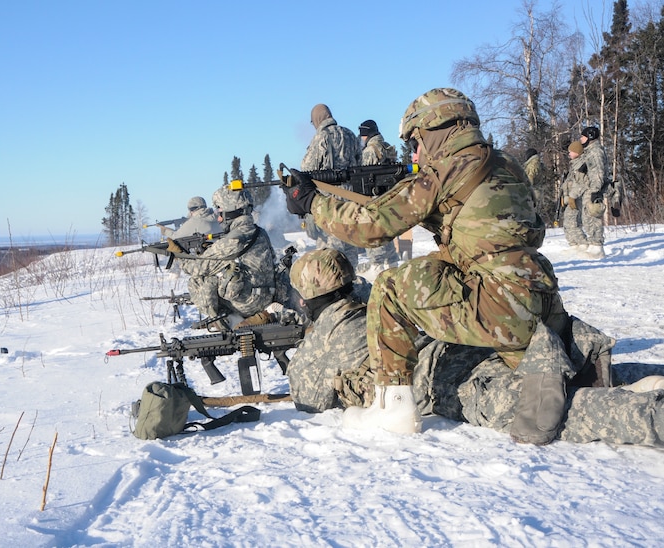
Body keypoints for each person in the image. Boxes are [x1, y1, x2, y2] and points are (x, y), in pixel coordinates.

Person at [283, 88, 572, 443]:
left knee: (389, 287)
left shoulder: (443, 172)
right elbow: (523, 231)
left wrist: (312, 203)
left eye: (416, 141)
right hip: (542, 301)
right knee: (438, 266)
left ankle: (393, 407)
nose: (415, 153)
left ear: (435, 131)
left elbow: (370, 228)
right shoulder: (505, 164)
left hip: (500, 309)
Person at [287, 249, 664, 446]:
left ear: (306, 298)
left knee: (555, 412)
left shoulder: (331, 329)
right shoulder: (371, 296)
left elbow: (308, 397)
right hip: (474, 344)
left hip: (455, 380)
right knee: (596, 376)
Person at [173, 186, 278, 333]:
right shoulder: (260, 232)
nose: (219, 218)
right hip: (267, 296)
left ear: (231, 212)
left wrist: (179, 255)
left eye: (220, 211)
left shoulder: (233, 239)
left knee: (197, 281)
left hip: (248, 304)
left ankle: (228, 323)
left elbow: (196, 268)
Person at [300, 104, 362, 269]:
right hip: (351, 204)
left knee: (329, 263)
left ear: (317, 120)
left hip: (330, 206)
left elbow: (306, 168)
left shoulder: (321, 138)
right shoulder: (350, 134)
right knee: (350, 258)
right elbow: (360, 163)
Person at [357, 120, 401, 275]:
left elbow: (365, 175)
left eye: (362, 134)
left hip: (375, 199)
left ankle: (379, 274)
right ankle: (394, 270)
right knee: (388, 237)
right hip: (389, 198)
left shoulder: (370, 150)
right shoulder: (386, 146)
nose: (360, 138)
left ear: (367, 134)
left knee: (375, 239)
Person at [577, 126, 609, 258]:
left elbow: (598, 172)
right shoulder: (589, 151)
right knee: (587, 216)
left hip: (593, 188)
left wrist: (595, 190)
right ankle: (593, 243)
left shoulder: (595, 151)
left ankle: (597, 246)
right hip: (589, 187)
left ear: (590, 136)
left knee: (593, 215)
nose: (581, 139)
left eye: (583, 137)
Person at [560, 141, 594, 256]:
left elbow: (580, 183)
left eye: (571, 151)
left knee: (573, 220)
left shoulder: (581, 165)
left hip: (577, 197)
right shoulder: (574, 164)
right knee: (568, 220)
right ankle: (574, 243)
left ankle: (582, 243)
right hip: (571, 197)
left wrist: (572, 196)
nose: (569, 153)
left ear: (577, 152)